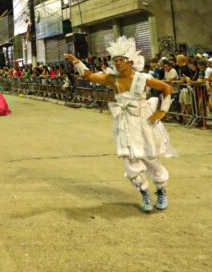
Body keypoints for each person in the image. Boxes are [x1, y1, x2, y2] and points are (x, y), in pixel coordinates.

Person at [65, 36, 176, 213]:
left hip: (144, 121)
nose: (117, 63)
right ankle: (144, 192)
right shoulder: (112, 79)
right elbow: (88, 76)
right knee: (129, 158)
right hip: (124, 122)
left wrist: (162, 111)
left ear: (130, 62)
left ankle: (161, 191)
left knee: (151, 156)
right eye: (115, 60)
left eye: (121, 60)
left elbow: (166, 88)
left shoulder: (142, 78)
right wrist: (76, 61)